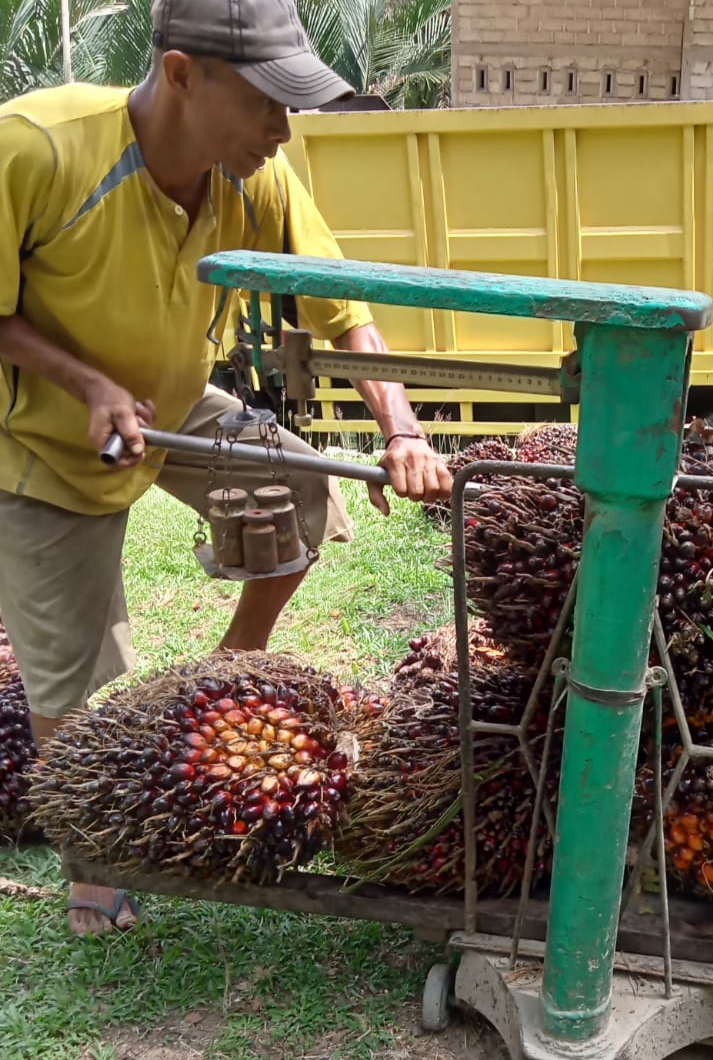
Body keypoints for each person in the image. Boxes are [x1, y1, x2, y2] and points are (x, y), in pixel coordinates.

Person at [0, 0, 453, 935]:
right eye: (266, 104)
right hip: (41, 435)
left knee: (298, 487)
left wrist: (402, 431)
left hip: (172, 399)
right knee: (73, 674)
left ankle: (225, 668)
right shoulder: (36, 151)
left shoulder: (259, 176)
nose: (283, 129)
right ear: (179, 74)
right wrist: (85, 384)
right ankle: (91, 864)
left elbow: (343, 309)